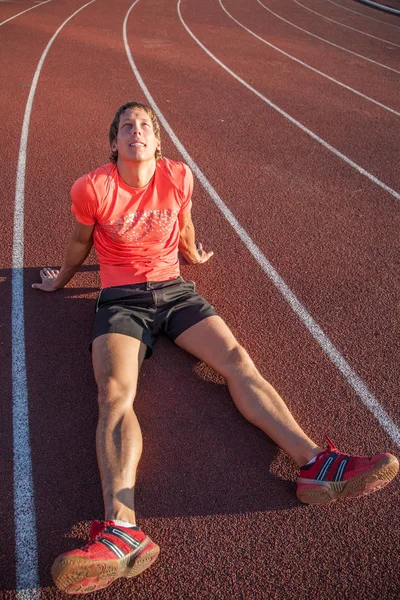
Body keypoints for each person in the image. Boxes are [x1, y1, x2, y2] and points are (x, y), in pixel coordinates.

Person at [33, 101, 399, 595]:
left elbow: (182, 225)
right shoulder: (93, 186)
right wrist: (60, 282)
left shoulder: (179, 175)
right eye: (126, 127)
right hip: (121, 299)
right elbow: (80, 242)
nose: (136, 131)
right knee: (114, 394)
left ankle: (316, 464)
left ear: (157, 142)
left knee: (237, 362)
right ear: (114, 144)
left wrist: (192, 251)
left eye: (145, 125)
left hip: (176, 291)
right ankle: (122, 530)